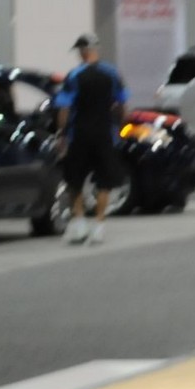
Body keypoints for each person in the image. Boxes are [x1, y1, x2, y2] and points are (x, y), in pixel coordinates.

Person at [55, 34, 128, 247]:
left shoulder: (74, 75)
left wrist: (61, 133)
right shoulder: (112, 74)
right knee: (105, 180)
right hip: (105, 132)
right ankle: (99, 224)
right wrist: (121, 124)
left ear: (82, 51)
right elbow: (122, 103)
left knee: (74, 178)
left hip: (80, 133)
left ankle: (78, 222)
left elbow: (64, 107)